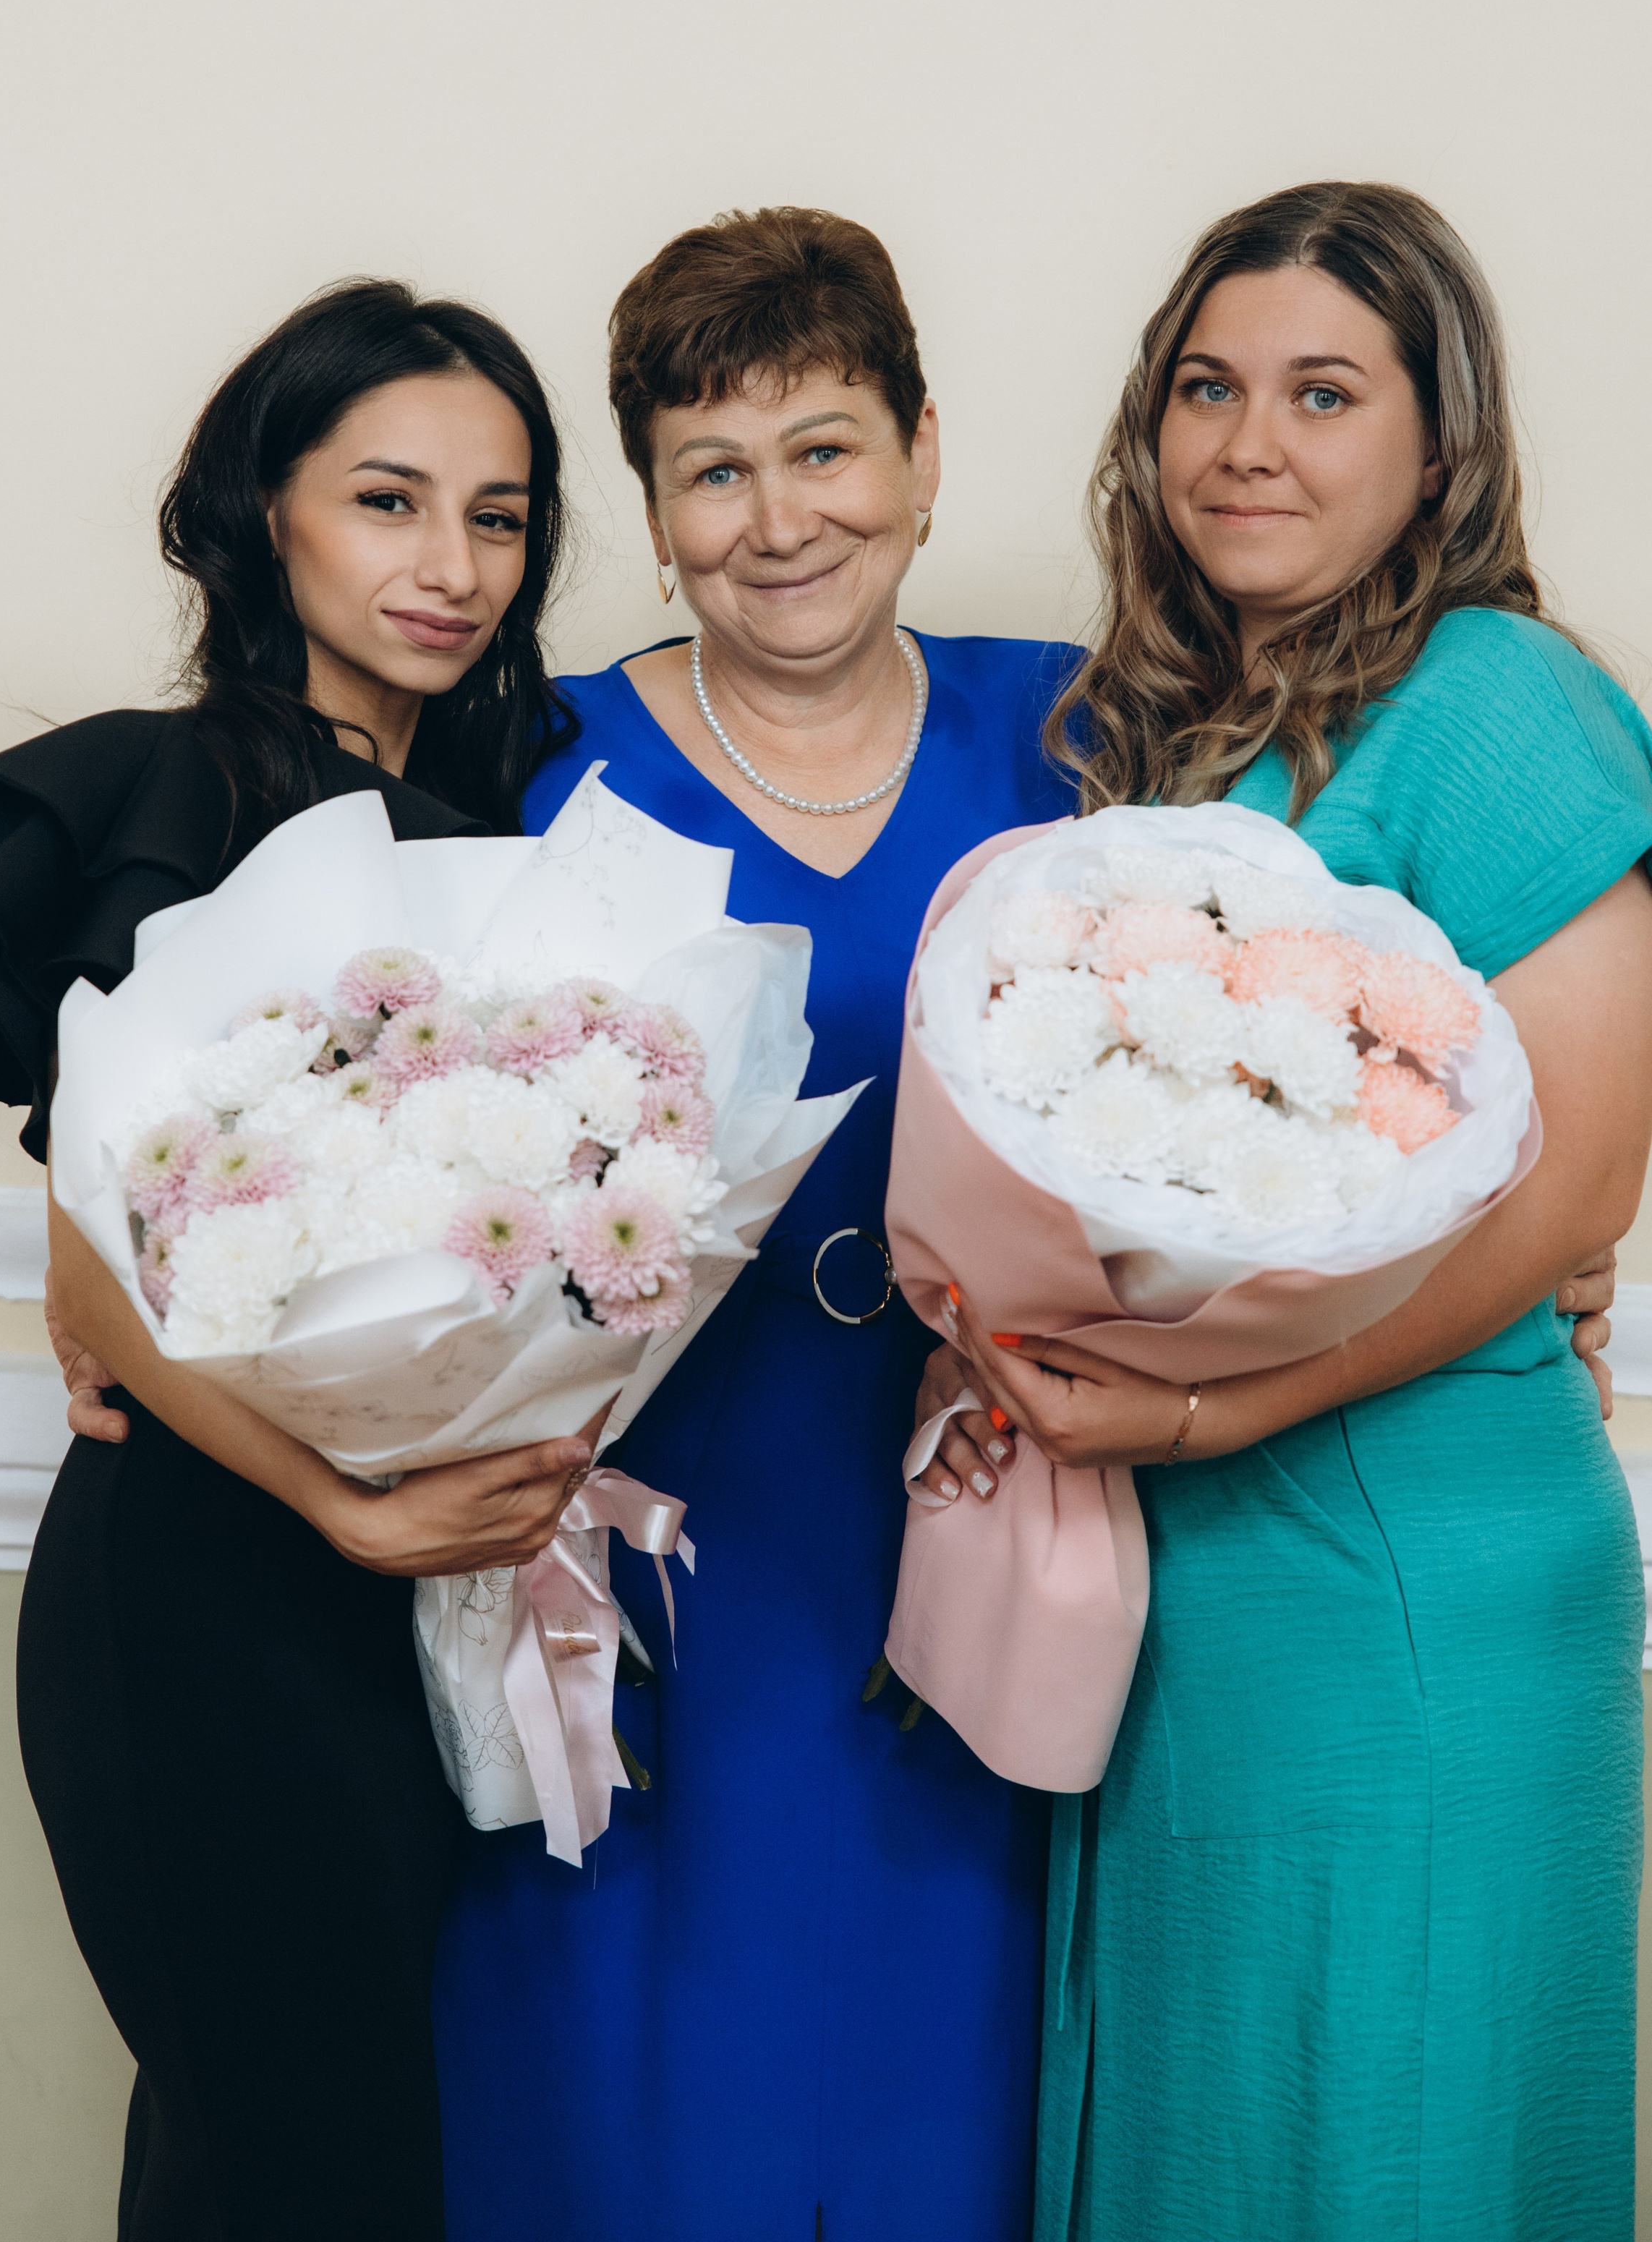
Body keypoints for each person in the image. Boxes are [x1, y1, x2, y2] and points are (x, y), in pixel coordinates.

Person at [922, 184, 1652, 2242]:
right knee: (1227, 2141)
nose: (1250, 442)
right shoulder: (1168, 730)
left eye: (1324, 394)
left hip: (1412, 1554)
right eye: (1209, 388)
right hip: (1196, 1578)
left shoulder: (1500, 698)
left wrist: (1214, 1415)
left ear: (1440, 444)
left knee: (1381, 2135)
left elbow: (1575, 1182)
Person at [0, 281, 598, 2242]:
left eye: (500, 513)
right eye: (388, 500)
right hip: (200, 1594)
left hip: (398, 1607)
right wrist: (338, 1510)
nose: (451, 565)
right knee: (297, 2171)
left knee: (284, 2170)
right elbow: (103, 1280)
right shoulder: (177, 791)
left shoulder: (502, 836)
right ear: (260, 511)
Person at [429, 208, 1080, 2242]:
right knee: (634, 2121)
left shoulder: (1074, 742)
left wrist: (1544, 1211)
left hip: (974, 1532)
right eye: (712, 471)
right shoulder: (540, 765)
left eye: (827, 447)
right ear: (651, 507)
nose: (778, 518)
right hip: (642, 1547)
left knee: (930, 2116)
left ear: (925, 453)